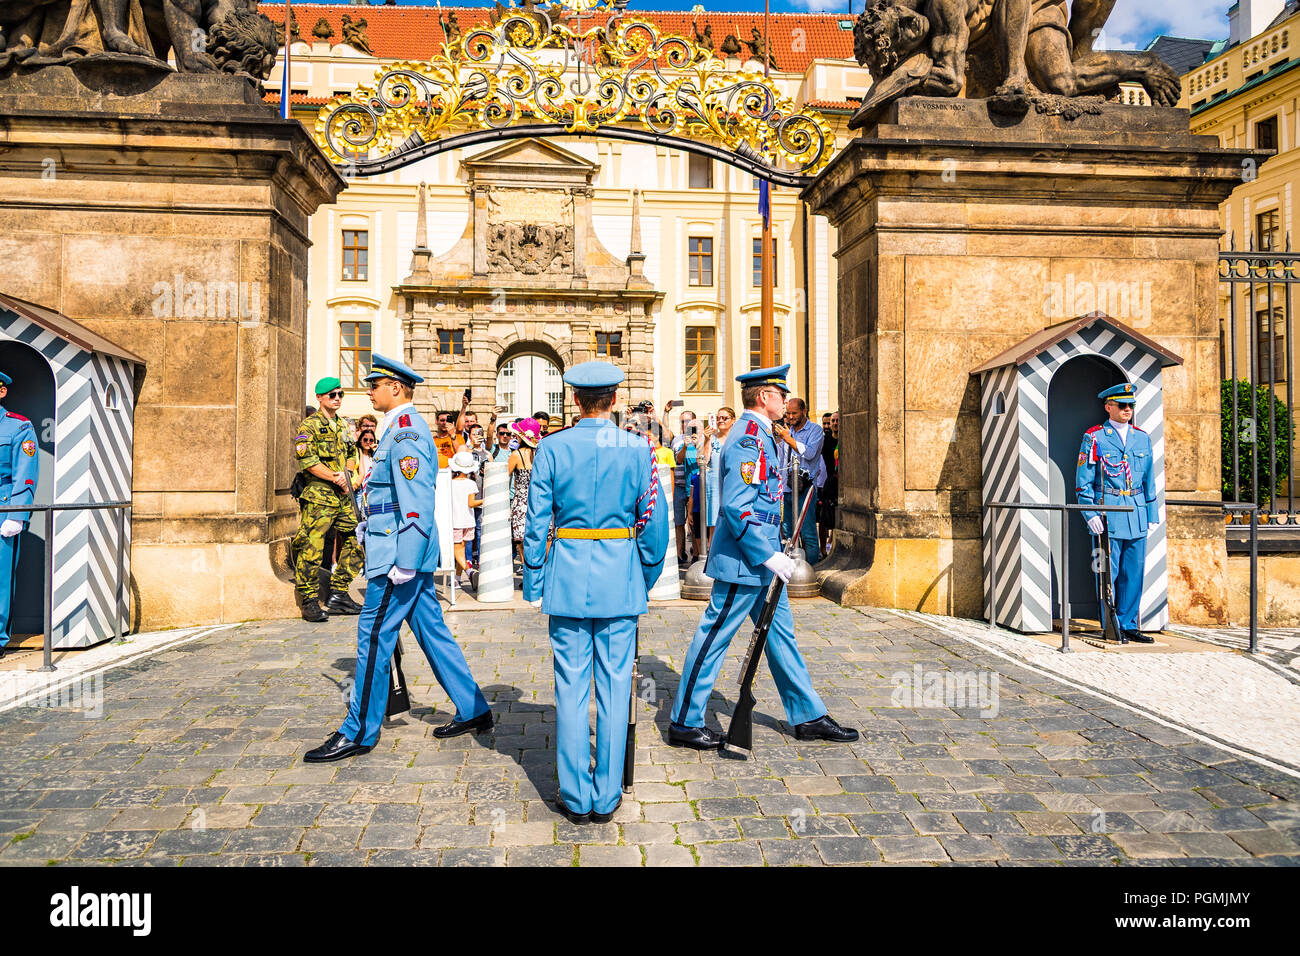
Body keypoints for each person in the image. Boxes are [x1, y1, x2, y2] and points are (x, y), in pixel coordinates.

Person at [305, 353, 493, 763]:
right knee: (433, 633)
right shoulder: (397, 428)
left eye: (374, 384)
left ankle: (358, 730)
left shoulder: (405, 431)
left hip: (398, 557)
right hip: (395, 548)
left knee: (372, 638)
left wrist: (404, 558)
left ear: (395, 388)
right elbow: (389, 494)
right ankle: (474, 708)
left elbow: (416, 500)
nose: (368, 390)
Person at [668, 365, 858, 749]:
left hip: (765, 556)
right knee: (714, 636)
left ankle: (808, 715)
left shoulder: (764, 435)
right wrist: (766, 555)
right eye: (780, 394)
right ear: (763, 397)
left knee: (780, 636)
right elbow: (738, 508)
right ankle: (684, 721)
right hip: (746, 560)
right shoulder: (748, 438)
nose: (786, 401)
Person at [523, 361, 668, 823]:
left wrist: (533, 578)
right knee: (613, 687)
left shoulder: (551, 447)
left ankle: (574, 794)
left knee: (569, 688)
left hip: (566, 575)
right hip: (619, 576)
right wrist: (643, 575)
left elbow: (535, 521)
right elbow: (655, 525)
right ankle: (605, 796)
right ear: (613, 400)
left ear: (576, 400)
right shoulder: (637, 449)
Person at [1076, 383, 1160, 644]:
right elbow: (1083, 480)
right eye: (1122, 405)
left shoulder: (1142, 437)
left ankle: (1129, 623)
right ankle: (1111, 624)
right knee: (1107, 572)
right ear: (1108, 407)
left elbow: (1149, 479)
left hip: (1135, 512)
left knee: (1134, 571)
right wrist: (1089, 513)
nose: (1127, 409)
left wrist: (1151, 512)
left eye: (1130, 405)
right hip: (1108, 513)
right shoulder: (1095, 437)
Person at [291, 377, 364, 622]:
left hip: (343, 496)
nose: (337, 398)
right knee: (312, 547)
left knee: (356, 542)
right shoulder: (309, 426)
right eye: (332, 394)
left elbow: (352, 452)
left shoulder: (344, 425)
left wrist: (348, 473)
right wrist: (335, 477)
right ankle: (309, 600)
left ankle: (339, 593)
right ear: (320, 397)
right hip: (319, 496)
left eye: (340, 394)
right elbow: (307, 460)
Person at [0, 371, 37, 661]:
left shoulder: (18, 426)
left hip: (2, 510)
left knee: (0, 578)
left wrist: (17, 514)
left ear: (1, 392)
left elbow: (25, 474)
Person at [773, 396, 825, 563]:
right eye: (788, 413)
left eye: (794, 413)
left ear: (804, 411)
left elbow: (809, 453)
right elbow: (781, 460)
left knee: (808, 533)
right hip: (787, 488)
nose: (790, 417)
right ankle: (790, 571)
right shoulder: (789, 431)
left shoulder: (815, 430)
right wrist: (779, 441)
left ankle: (811, 571)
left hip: (805, 488)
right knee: (788, 533)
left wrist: (788, 439)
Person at [698, 406, 734, 544]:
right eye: (718, 418)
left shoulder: (736, 438)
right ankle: (712, 553)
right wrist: (707, 440)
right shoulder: (711, 439)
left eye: (724, 418)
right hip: (714, 484)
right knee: (714, 522)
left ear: (733, 420)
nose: (720, 420)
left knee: (732, 519)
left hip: (732, 482)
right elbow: (702, 461)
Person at [509, 417, 541, 569]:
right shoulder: (540, 454)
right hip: (539, 499)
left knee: (522, 541)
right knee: (539, 538)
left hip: (521, 501)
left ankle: (527, 570)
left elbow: (504, 477)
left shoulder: (517, 454)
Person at [448, 450, 482, 589]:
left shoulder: (449, 483)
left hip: (455, 520)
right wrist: (485, 500)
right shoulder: (470, 484)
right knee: (460, 550)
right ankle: (465, 574)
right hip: (468, 520)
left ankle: (463, 575)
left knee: (458, 551)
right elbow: (471, 503)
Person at [669, 409, 697, 563]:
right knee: (678, 522)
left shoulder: (698, 438)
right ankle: (680, 554)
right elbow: (678, 460)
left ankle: (695, 552)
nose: (684, 424)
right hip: (679, 486)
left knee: (693, 522)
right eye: (681, 421)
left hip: (693, 486)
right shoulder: (676, 440)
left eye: (686, 421)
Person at [819, 411, 839, 556]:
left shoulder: (846, 438)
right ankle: (823, 549)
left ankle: (833, 543)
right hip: (829, 482)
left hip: (841, 482)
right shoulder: (825, 440)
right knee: (824, 517)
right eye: (833, 421)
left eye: (837, 420)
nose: (834, 423)